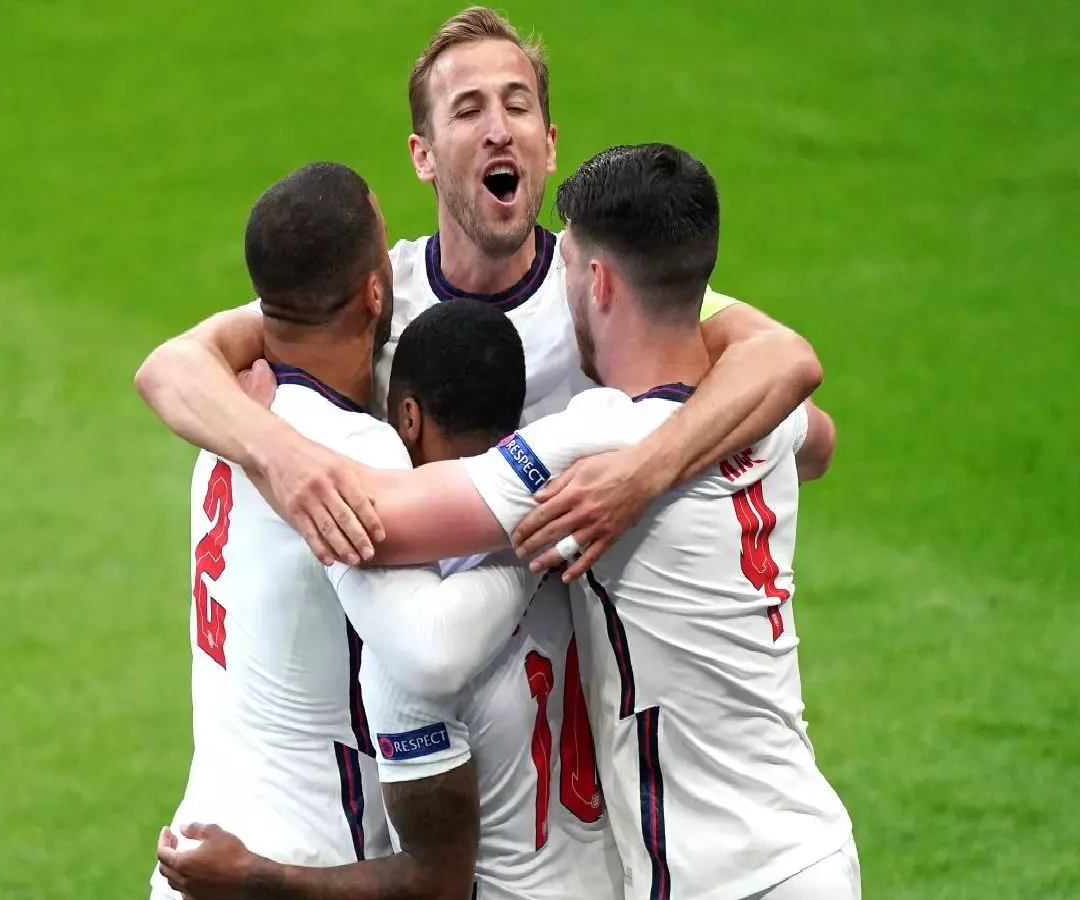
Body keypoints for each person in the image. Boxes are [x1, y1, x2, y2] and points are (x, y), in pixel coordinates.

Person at [267, 143, 857, 899]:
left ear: (601, 282)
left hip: (722, 876)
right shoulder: (760, 411)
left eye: (569, 267)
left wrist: (267, 438)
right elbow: (821, 434)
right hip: (807, 844)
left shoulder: (594, 439)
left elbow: (377, 522)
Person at [132, 6, 824, 582]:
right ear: (422, 155)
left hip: (574, 723)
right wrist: (279, 457)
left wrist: (643, 471)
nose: (499, 128)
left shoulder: (602, 295)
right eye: (468, 110)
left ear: (548, 146)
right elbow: (172, 367)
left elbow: (788, 370)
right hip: (425, 706)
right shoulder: (375, 296)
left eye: (517, 106)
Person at [152, 164, 550, 899]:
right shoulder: (348, 449)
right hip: (295, 857)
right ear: (374, 292)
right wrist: (534, 541)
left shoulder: (230, 411)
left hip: (200, 839)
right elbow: (432, 652)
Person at [158, 301, 624, 900]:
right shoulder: (603, 515)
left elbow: (435, 882)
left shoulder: (403, 647)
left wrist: (271, 461)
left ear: (406, 416)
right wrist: (544, 532)